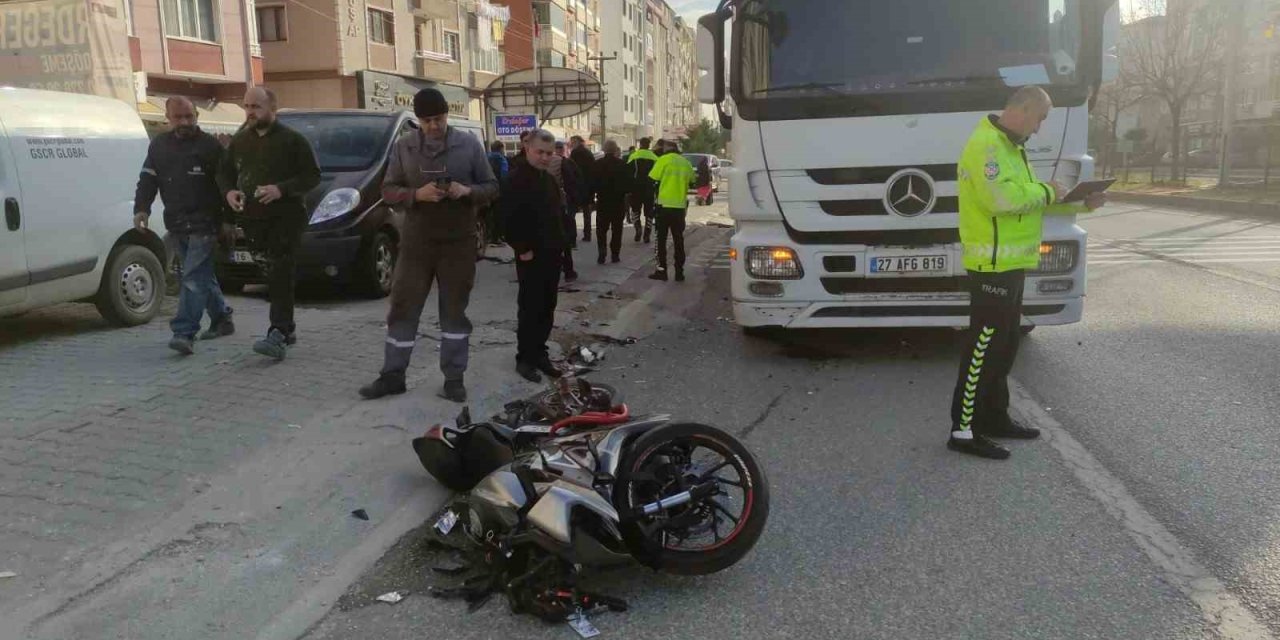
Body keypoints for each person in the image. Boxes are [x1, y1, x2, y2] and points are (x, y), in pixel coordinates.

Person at [947, 86, 1106, 460]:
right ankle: (963, 430)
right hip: (992, 265)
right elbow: (1001, 200)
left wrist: (1081, 204)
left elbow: (1029, 203)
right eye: (1040, 118)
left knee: (1004, 345)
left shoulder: (1011, 146)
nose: (1039, 128)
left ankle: (995, 417)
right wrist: (1049, 192)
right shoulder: (986, 146)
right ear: (1023, 109)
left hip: (1012, 262)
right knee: (983, 347)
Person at [358, 88, 499, 403]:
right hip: (416, 244)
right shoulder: (405, 147)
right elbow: (388, 190)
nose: (433, 126)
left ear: (447, 115)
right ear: (418, 120)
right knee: (402, 309)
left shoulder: (469, 145)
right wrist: (415, 196)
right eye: (427, 120)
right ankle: (392, 376)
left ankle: (453, 379)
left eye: (438, 119)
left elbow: (492, 187)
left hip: (458, 243)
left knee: (453, 313)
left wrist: (466, 191)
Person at [217, 87, 321, 361]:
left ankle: (277, 334)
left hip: (286, 220)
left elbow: (312, 176)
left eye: (256, 107)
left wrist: (281, 189)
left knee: (281, 273)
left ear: (272, 109)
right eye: (247, 106)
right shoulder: (240, 141)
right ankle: (288, 328)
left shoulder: (293, 141)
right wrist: (230, 192)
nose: (250, 112)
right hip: (253, 221)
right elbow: (224, 174)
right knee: (273, 278)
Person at [135, 96, 235, 356]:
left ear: (197, 117)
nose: (184, 122)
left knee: (191, 278)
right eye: (178, 117)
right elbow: (147, 180)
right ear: (168, 118)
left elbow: (229, 186)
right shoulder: (159, 146)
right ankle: (222, 318)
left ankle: (184, 332)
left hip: (205, 223)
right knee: (201, 276)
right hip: (177, 222)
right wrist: (141, 208)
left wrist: (228, 221)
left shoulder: (210, 147)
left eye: (189, 117)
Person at [502, 129, 567, 383]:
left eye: (549, 153)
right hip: (530, 254)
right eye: (540, 152)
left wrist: (563, 243)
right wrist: (522, 249)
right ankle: (525, 358)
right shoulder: (515, 179)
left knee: (547, 306)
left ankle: (540, 353)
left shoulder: (547, 179)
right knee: (530, 307)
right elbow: (506, 219)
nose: (544, 157)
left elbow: (556, 214)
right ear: (528, 148)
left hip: (552, 253)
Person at [647, 139, 695, 282]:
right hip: (679, 208)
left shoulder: (663, 160)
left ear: (667, 149)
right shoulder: (685, 163)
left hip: (663, 207)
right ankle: (679, 272)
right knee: (678, 240)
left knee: (660, 240)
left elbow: (652, 179)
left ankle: (661, 271)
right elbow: (692, 181)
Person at [592, 140, 630, 264]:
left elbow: (592, 183)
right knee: (617, 229)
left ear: (604, 149)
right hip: (618, 201)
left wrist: (593, 197)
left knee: (601, 229)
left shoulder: (597, 164)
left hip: (603, 201)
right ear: (615, 150)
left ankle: (601, 253)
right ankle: (615, 254)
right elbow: (628, 184)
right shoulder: (622, 164)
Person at [553, 141, 585, 281]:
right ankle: (568, 271)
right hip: (562, 204)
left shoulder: (539, 163)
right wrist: (576, 201)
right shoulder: (565, 163)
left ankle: (558, 267)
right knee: (564, 238)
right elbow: (574, 182)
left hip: (550, 205)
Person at [626, 137, 659, 243]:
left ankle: (638, 228)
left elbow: (629, 173)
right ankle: (647, 233)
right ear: (649, 145)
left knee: (635, 210)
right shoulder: (655, 158)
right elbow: (657, 175)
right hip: (649, 187)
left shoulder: (633, 156)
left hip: (636, 187)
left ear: (640, 144)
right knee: (649, 212)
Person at [569, 135, 596, 242]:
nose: (571, 144)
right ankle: (587, 234)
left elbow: (572, 170)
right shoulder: (588, 152)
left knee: (572, 212)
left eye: (572, 142)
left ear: (576, 142)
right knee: (586, 212)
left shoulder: (575, 153)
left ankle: (572, 236)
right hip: (588, 186)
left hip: (577, 186)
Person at [485, 140, 509, 245]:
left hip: (486, 189)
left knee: (488, 213)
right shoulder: (501, 159)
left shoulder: (485, 157)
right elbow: (504, 175)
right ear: (501, 149)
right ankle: (497, 237)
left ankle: (488, 236)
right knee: (498, 214)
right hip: (498, 190)